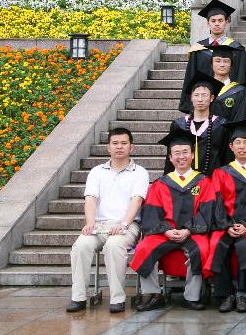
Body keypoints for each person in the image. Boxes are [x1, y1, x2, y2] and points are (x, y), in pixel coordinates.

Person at [131, 128, 216, 311]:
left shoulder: (204, 182)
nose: (181, 156)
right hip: (164, 231)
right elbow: (152, 214)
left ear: (192, 155)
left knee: (201, 249)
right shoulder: (160, 184)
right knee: (144, 248)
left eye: (185, 152)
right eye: (176, 153)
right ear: (170, 157)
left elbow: (206, 212)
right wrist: (167, 230)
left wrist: (188, 230)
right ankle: (153, 294)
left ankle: (192, 296)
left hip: (193, 232)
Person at [67, 128, 148, 314]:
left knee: (113, 246)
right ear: (108, 147)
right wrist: (90, 222)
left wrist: (124, 224)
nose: (119, 147)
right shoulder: (97, 172)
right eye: (115, 143)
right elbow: (90, 198)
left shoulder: (140, 172)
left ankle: (117, 299)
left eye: (124, 143)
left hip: (128, 226)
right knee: (81, 245)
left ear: (131, 147)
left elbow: (137, 200)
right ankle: (78, 297)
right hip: (99, 226)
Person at [205, 121, 246, 313]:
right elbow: (216, 203)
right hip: (225, 226)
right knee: (216, 242)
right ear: (231, 147)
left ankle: (242, 293)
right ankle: (226, 294)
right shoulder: (220, 173)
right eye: (238, 142)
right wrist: (226, 225)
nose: (242, 146)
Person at [181, 0, 239, 112]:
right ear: (208, 23)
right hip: (202, 103)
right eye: (213, 21)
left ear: (226, 22)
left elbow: (239, 76)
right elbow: (190, 77)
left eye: (220, 20)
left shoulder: (236, 48)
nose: (217, 23)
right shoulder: (198, 49)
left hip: (228, 103)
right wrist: (189, 107)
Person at [169, 72, 226, 174]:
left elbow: (225, 156)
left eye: (204, 95)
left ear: (211, 98)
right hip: (184, 179)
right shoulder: (178, 125)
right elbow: (171, 156)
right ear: (191, 97)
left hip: (212, 178)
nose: (200, 99)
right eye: (196, 95)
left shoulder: (221, 125)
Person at [208, 43, 246, 123]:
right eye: (218, 61)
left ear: (231, 65)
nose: (222, 65)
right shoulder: (203, 89)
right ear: (211, 64)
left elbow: (240, 119)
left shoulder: (240, 91)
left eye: (226, 61)